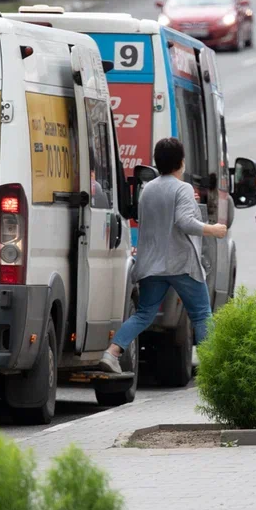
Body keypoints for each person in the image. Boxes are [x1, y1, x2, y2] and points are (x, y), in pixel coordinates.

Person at [99, 137, 228, 373]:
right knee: (201, 314)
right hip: (181, 264)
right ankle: (213, 368)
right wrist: (213, 230)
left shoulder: (148, 190)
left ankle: (112, 353)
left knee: (144, 314)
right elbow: (185, 222)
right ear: (181, 162)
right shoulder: (183, 188)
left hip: (152, 264)